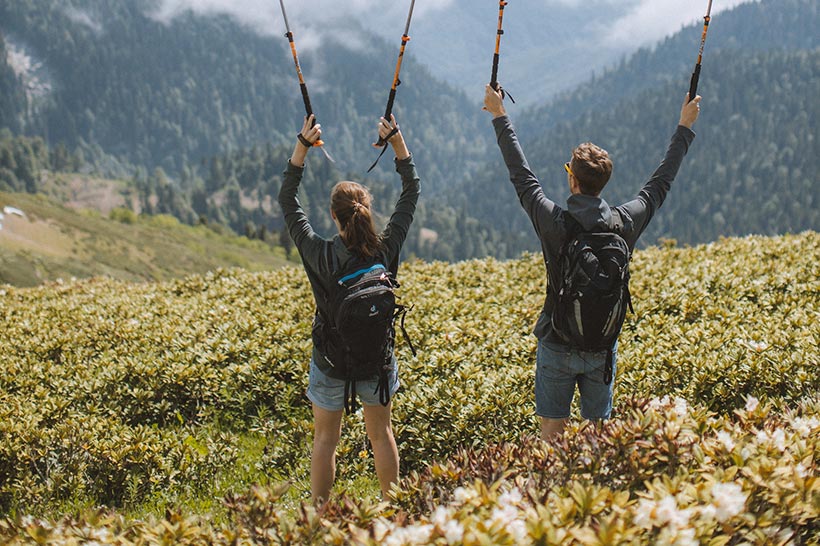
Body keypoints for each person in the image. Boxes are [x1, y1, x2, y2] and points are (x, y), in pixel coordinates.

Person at [484, 84, 701, 439]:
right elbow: (660, 184)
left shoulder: (554, 223)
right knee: (597, 437)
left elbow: (522, 177)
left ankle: (551, 493)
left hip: (556, 339)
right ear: (603, 183)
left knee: (552, 433)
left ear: (572, 179)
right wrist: (684, 126)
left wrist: (499, 115)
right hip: (602, 344)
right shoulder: (624, 223)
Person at [278, 113, 420, 505]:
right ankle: (393, 510)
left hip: (330, 359)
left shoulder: (320, 254)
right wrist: (396, 142)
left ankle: (321, 516)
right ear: (367, 212)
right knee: (381, 434)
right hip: (377, 359)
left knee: (325, 438)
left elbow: (287, 201)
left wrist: (302, 147)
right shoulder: (385, 249)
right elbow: (411, 191)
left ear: (333, 216)